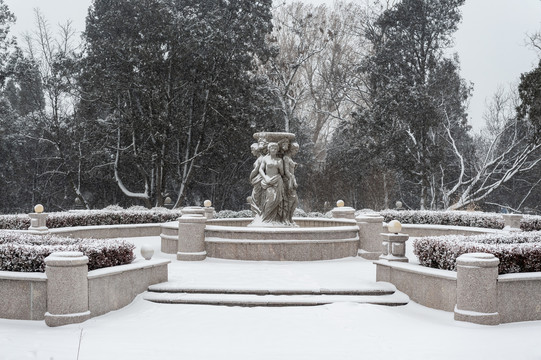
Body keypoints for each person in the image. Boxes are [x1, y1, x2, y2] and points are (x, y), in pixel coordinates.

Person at [259, 142, 285, 224]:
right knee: (270, 199)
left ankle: (274, 220)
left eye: (275, 148)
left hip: (277, 181)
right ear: (269, 149)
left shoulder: (279, 160)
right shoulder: (265, 159)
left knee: (276, 200)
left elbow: (282, 173)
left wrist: (280, 166)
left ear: (277, 150)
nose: (273, 150)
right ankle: (266, 219)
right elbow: (260, 169)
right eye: (272, 148)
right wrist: (265, 177)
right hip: (268, 181)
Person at [283, 142, 299, 224]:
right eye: (295, 150)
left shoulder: (289, 158)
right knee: (290, 201)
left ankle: (289, 218)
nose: (296, 152)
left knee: (295, 202)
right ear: (291, 149)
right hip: (288, 182)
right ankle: (286, 219)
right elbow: (286, 172)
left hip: (291, 181)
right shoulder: (286, 158)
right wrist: (293, 180)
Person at [249, 143, 264, 216]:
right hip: (258, 180)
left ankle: (258, 215)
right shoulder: (261, 158)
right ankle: (259, 214)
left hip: (258, 180)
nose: (252, 152)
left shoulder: (260, 159)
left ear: (256, 150)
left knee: (255, 199)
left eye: (252, 150)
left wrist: (251, 177)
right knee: (257, 199)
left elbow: (255, 170)